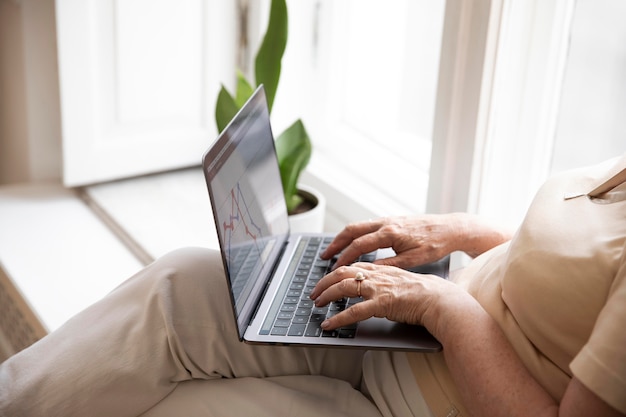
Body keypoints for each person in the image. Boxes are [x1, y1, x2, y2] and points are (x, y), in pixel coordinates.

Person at [1, 154, 625, 417]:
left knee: (168, 408)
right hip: (410, 334)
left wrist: (444, 307)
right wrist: (465, 232)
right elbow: (568, 270)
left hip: (429, 398)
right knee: (185, 281)